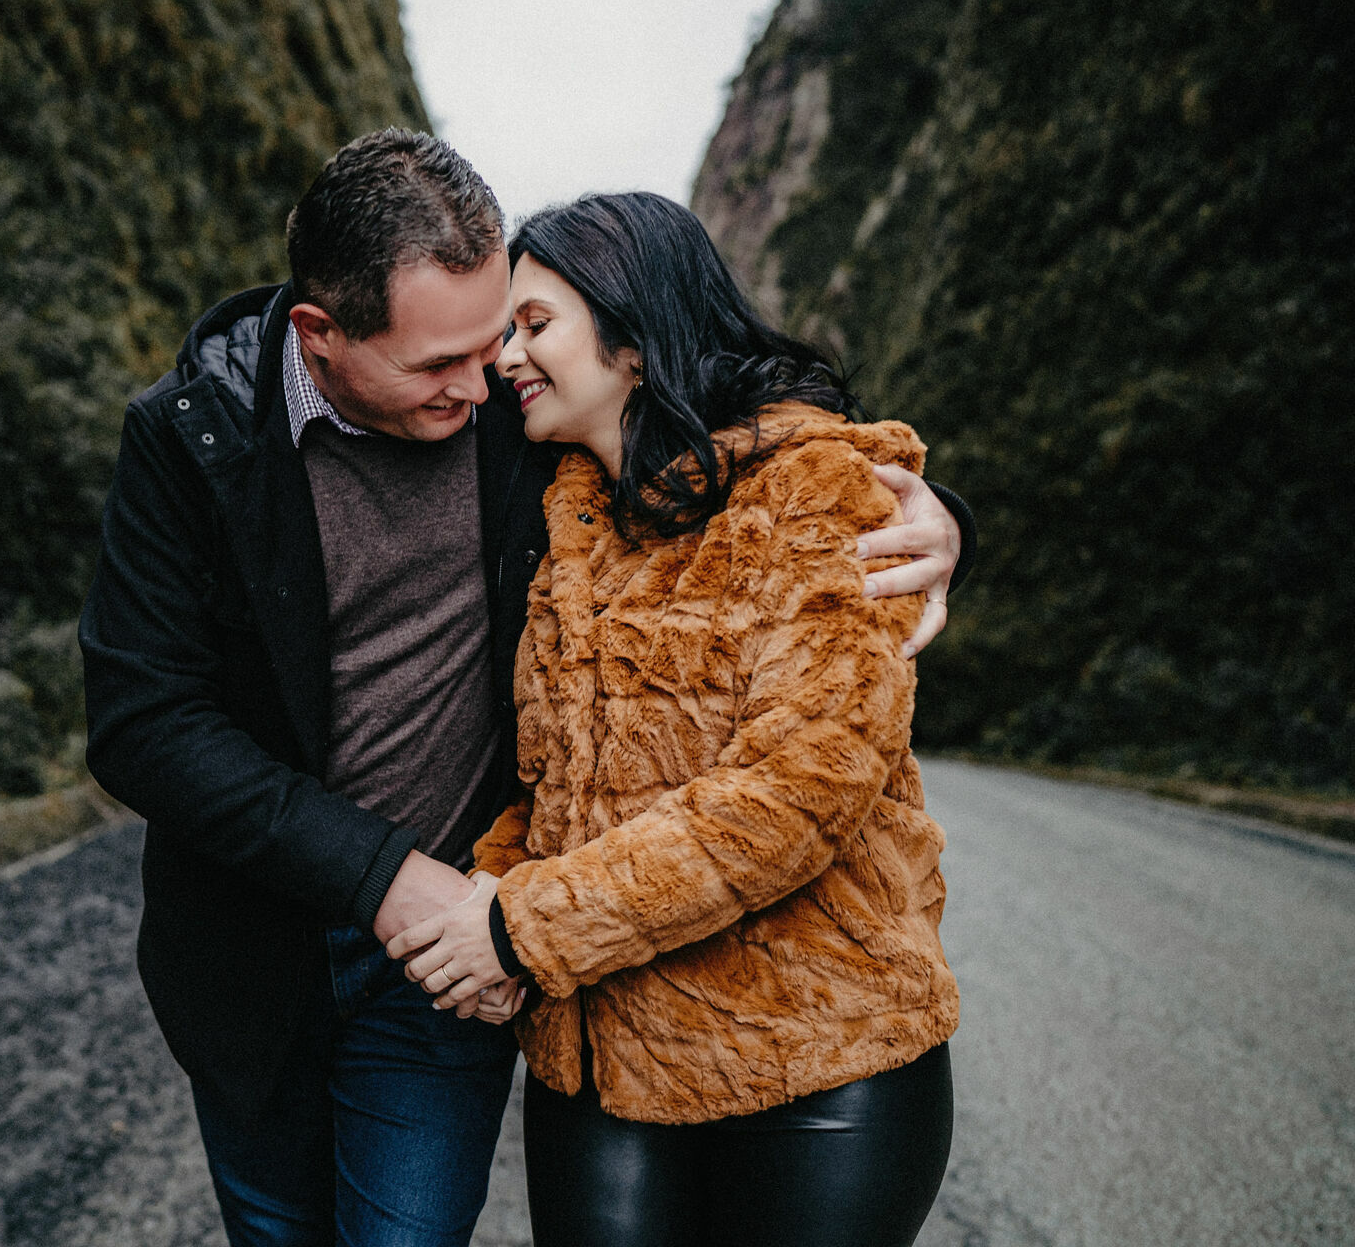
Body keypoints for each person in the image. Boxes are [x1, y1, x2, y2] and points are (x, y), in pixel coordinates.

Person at [78, 131, 973, 1247]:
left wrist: (932, 521)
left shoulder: (529, 425)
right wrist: (413, 886)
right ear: (320, 334)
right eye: (439, 363)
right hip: (267, 948)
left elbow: (750, 451)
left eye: (507, 331)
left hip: (466, 954)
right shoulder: (196, 434)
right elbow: (144, 722)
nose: (485, 377)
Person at [388, 191, 962, 1247]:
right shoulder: (567, 518)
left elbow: (797, 794)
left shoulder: (814, 491)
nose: (504, 357)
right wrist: (484, 901)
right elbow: (551, 787)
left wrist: (519, 929)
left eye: (534, 324)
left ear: (637, 340)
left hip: (817, 1063)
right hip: (604, 1065)